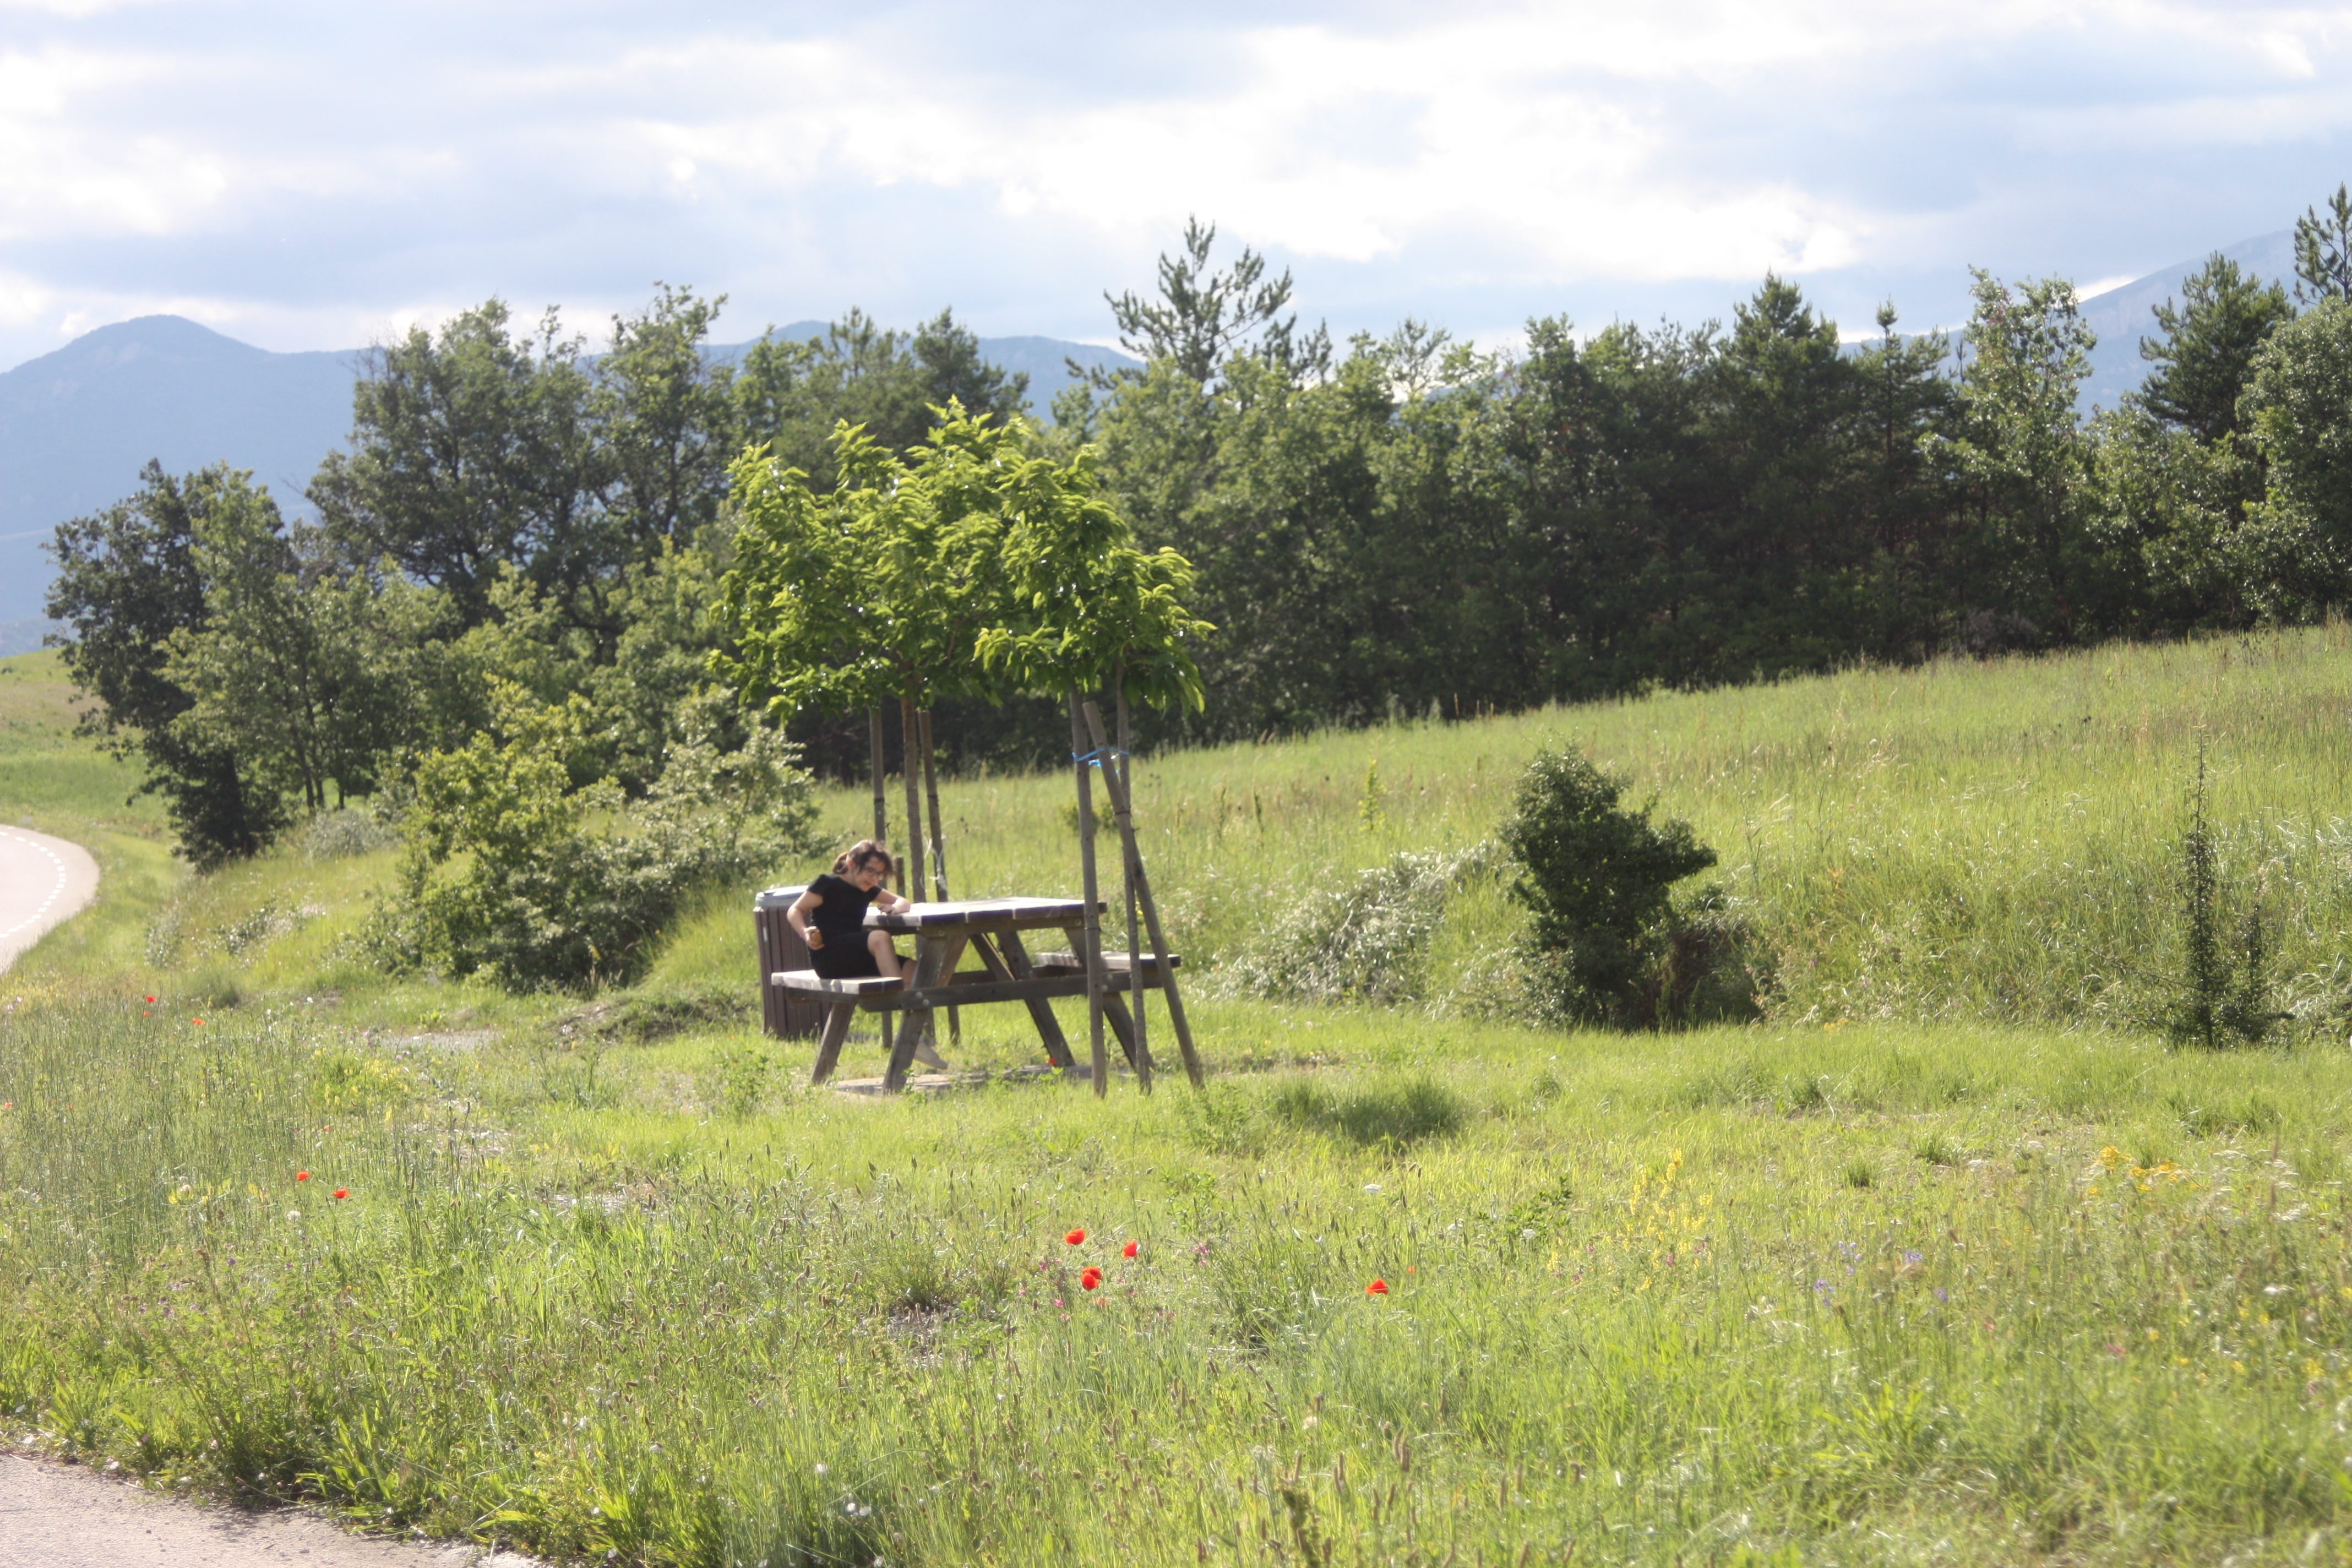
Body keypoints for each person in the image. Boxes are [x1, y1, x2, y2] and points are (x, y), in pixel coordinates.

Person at [788, 840, 908, 981]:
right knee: (880, 938)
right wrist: (804, 932)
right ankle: (895, 999)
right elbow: (795, 910)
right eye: (870, 871)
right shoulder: (827, 884)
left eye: (879, 874)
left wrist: (896, 908)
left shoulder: (867, 889)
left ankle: (899, 999)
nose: (875, 879)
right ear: (851, 864)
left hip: (857, 956)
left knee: (919, 972)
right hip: (828, 957)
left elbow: (903, 902)